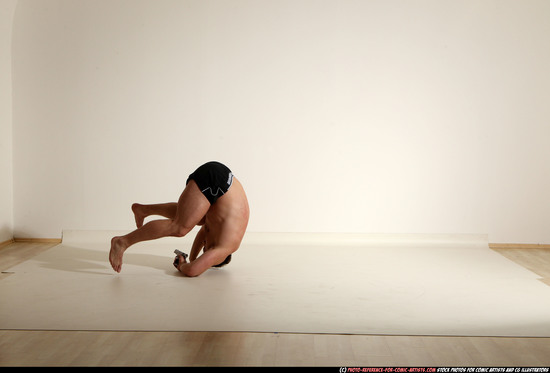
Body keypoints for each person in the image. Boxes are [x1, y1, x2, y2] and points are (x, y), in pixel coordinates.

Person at [109, 161, 250, 277]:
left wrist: (193, 259)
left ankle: (144, 210)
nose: (204, 243)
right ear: (212, 253)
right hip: (217, 183)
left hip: (222, 177)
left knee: (197, 219)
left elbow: (203, 234)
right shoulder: (223, 249)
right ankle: (122, 242)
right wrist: (183, 265)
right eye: (205, 251)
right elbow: (192, 271)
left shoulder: (221, 235)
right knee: (180, 228)